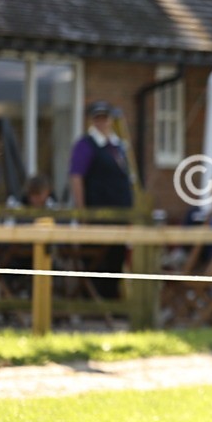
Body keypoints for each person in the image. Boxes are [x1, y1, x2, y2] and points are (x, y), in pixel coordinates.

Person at [68, 100, 134, 299]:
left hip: (120, 215)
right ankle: (94, 303)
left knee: (116, 260)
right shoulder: (86, 144)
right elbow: (76, 177)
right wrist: (83, 212)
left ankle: (111, 302)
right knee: (97, 260)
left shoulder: (118, 145)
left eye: (105, 117)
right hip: (98, 214)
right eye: (98, 118)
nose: (102, 122)